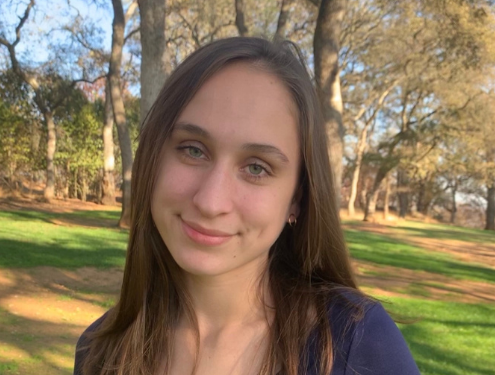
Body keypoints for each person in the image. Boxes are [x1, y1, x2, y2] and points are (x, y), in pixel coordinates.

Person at [73, 37, 420, 375]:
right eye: (193, 149)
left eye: (256, 167)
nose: (210, 202)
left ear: (296, 199)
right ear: (153, 157)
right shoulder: (99, 351)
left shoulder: (356, 343)